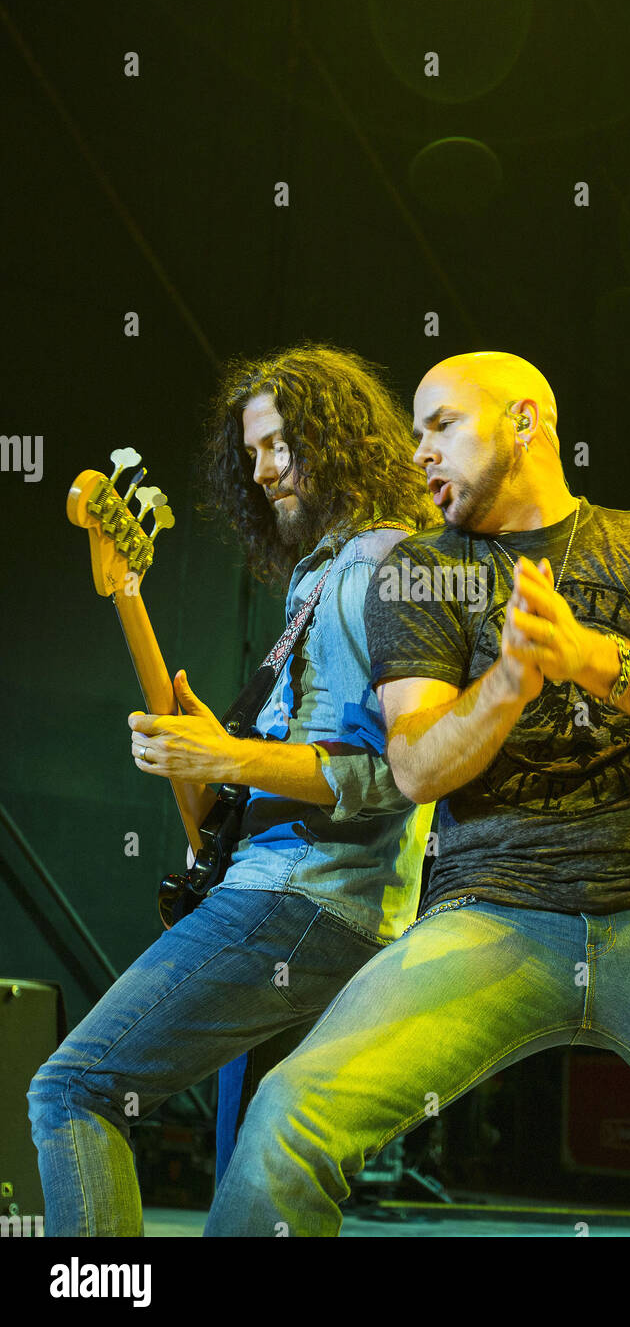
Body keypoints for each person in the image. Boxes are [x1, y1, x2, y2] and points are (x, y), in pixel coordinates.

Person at [204, 350, 630, 1238]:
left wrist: (581, 655)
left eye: (440, 426)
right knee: (287, 1120)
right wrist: (510, 681)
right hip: (489, 913)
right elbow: (414, 766)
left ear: (524, 423)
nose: (418, 455)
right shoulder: (417, 572)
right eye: (414, 434)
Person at [27, 342, 438, 1235]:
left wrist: (226, 758)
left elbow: (398, 773)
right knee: (257, 1191)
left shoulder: (375, 565)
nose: (261, 472)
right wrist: (224, 750)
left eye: (280, 445)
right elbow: (303, 761)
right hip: (317, 907)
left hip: (300, 904)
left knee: (71, 1089)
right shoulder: (320, 573)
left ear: (338, 439)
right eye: (250, 453)